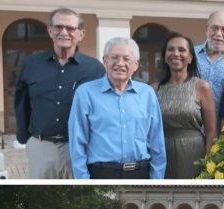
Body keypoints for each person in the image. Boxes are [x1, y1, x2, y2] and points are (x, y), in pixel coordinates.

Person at [15, 7, 105, 179]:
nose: (64, 32)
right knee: (39, 198)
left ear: (81, 34)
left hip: (79, 148)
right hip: (41, 147)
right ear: (50, 31)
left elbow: (102, 110)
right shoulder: (32, 64)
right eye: (58, 27)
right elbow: (21, 103)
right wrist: (26, 138)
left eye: (71, 28)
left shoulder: (94, 69)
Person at [68, 37, 166, 179]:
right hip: (101, 174)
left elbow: (157, 142)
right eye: (114, 57)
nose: (120, 63)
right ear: (105, 61)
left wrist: (157, 181)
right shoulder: (85, 93)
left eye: (126, 59)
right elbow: (77, 143)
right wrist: (82, 180)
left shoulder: (147, 93)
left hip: (140, 174)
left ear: (136, 64)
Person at [156, 32, 216, 179]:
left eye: (182, 50)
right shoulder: (154, 89)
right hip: (163, 153)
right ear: (164, 56)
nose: (176, 53)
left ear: (190, 58)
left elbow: (211, 131)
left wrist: (208, 164)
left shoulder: (202, 87)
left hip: (195, 154)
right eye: (171, 49)